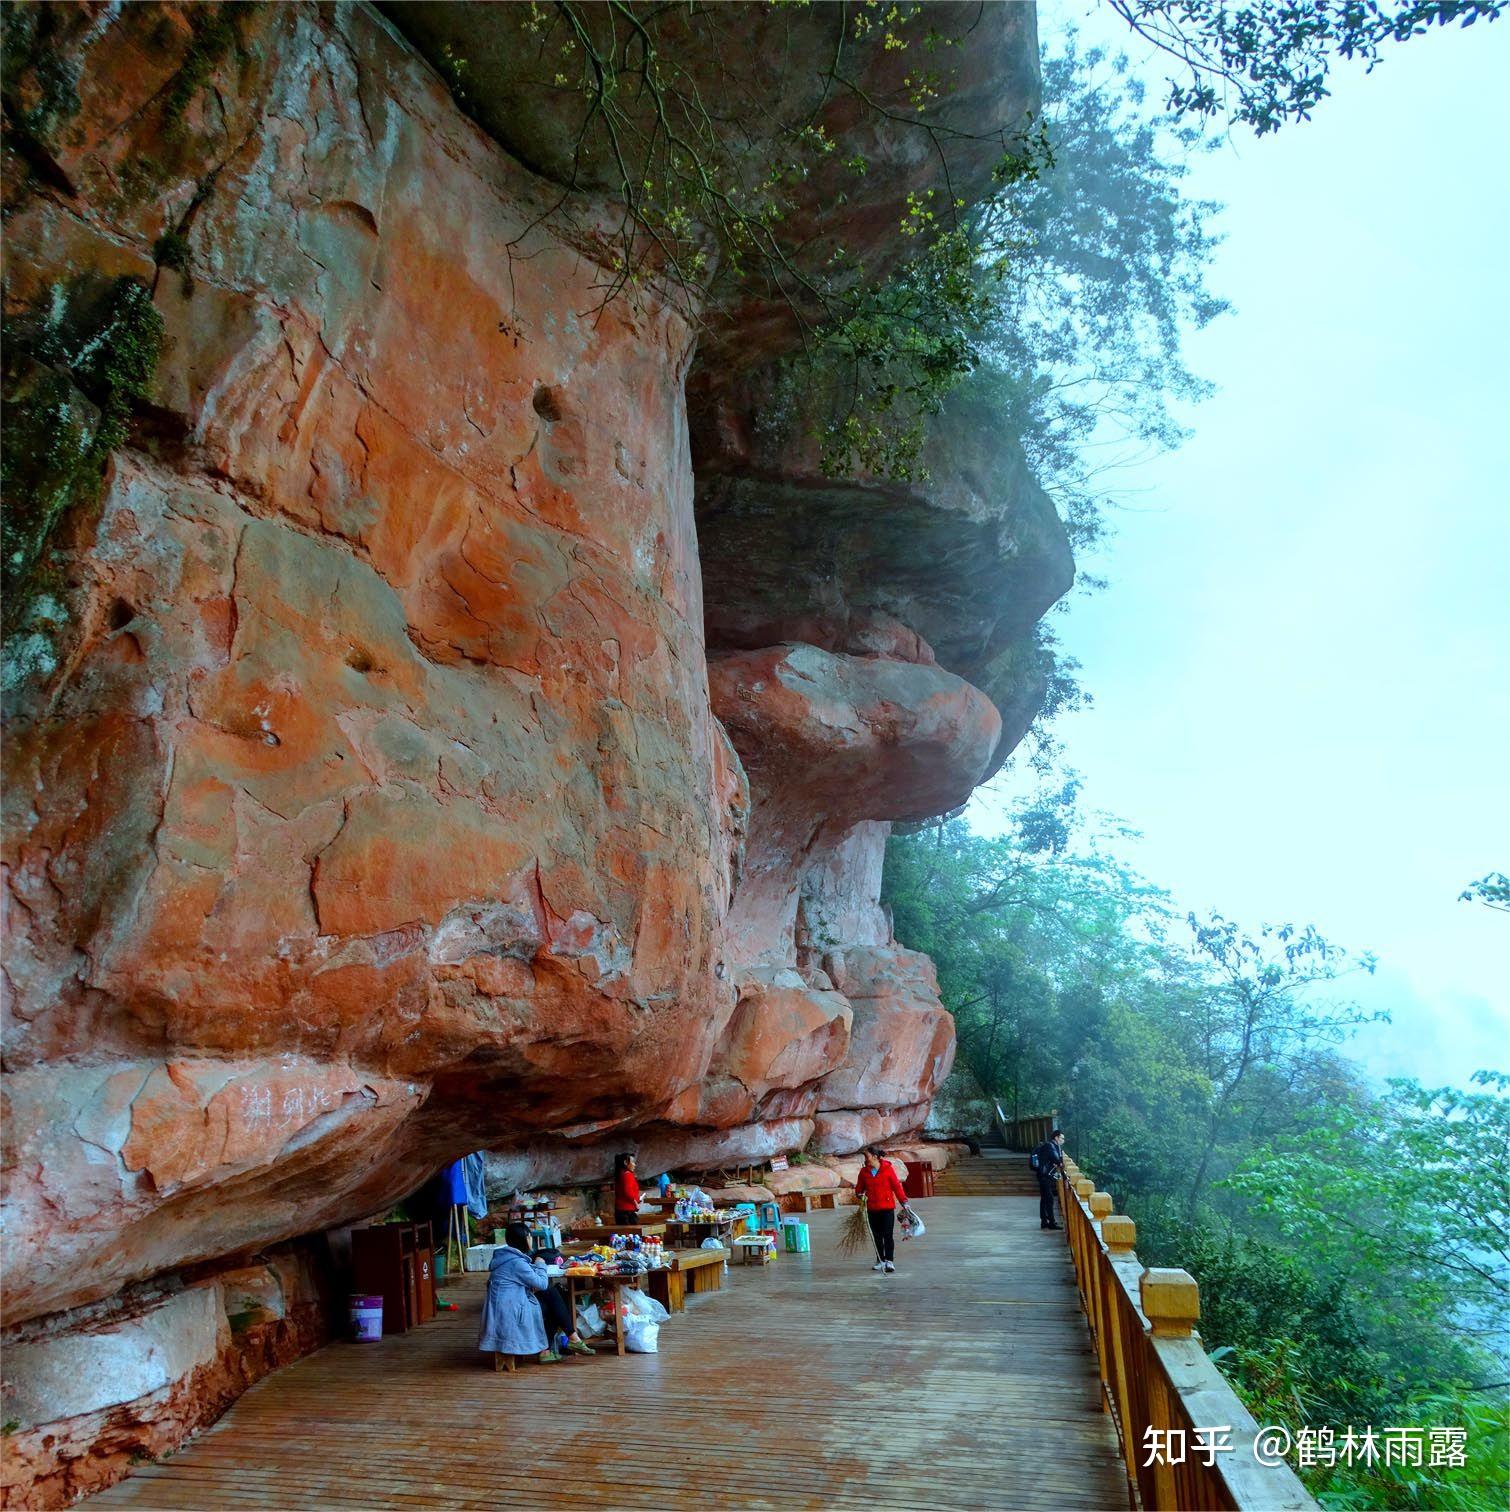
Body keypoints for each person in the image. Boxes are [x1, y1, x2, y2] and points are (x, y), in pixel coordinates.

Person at [478, 1223, 592, 1365]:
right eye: (530, 1236)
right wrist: (540, 1264)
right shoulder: (517, 1264)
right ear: (525, 1239)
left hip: (505, 1309)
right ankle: (569, 1339)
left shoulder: (506, 1258)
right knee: (551, 1294)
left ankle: (558, 1345)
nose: (531, 1239)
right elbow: (542, 1284)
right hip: (510, 1314)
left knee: (553, 1296)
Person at [854, 1145, 909, 1273]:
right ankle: (880, 1260)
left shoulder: (888, 1169)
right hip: (872, 1209)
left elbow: (897, 1187)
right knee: (876, 1236)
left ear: (875, 1157)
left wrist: (904, 1202)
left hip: (887, 1208)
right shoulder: (864, 1172)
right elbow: (859, 1189)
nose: (865, 1159)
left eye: (867, 1156)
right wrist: (859, 1195)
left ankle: (889, 1261)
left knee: (887, 1235)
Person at [1031, 1128, 1066, 1230]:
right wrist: (1059, 1163)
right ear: (1056, 1137)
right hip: (1044, 1175)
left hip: (1042, 1174)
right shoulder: (1051, 1146)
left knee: (1045, 1198)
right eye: (1062, 1138)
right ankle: (1051, 1223)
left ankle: (1044, 1222)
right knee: (1049, 1198)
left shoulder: (1050, 1145)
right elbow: (1056, 1159)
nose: (1063, 1141)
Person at [612, 1152, 641, 1227]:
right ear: (625, 1162)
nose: (634, 1165)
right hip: (627, 1211)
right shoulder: (627, 1175)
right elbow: (628, 1192)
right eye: (633, 1162)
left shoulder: (620, 1174)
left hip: (620, 1209)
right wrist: (636, 1203)